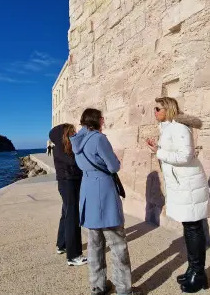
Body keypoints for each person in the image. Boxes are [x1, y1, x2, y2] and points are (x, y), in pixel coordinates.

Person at [70, 108, 141, 295]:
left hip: (87, 191)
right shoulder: (99, 139)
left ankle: (98, 286)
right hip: (104, 192)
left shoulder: (76, 140)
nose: (103, 120)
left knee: (94, 245)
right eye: (102, 118)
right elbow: (113, 166)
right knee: (117, 245)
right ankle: (124, 289)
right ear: (97, 120)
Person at [146, 97, 210, 293]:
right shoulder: (167, 128)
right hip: (181, 184)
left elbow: (185, 156)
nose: (155, 112)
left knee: (193, 227)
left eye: (158, 108)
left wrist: (159, 154)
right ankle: (193, 269)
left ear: (168, 109)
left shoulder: (179, 128)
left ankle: (198, 274)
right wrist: (156, 148)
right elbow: (172, 152)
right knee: (189, 227)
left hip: (188, 185)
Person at [49, 124, 87, 266]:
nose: (74, 134)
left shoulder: (64, 147)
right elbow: (73, 162)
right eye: (72, 132)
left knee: (66, 214)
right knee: (72, 217)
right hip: (68, 183)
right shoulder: (60, 148)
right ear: (64, 134)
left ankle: (62, 245)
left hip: (68, 183)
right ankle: (74, 255)